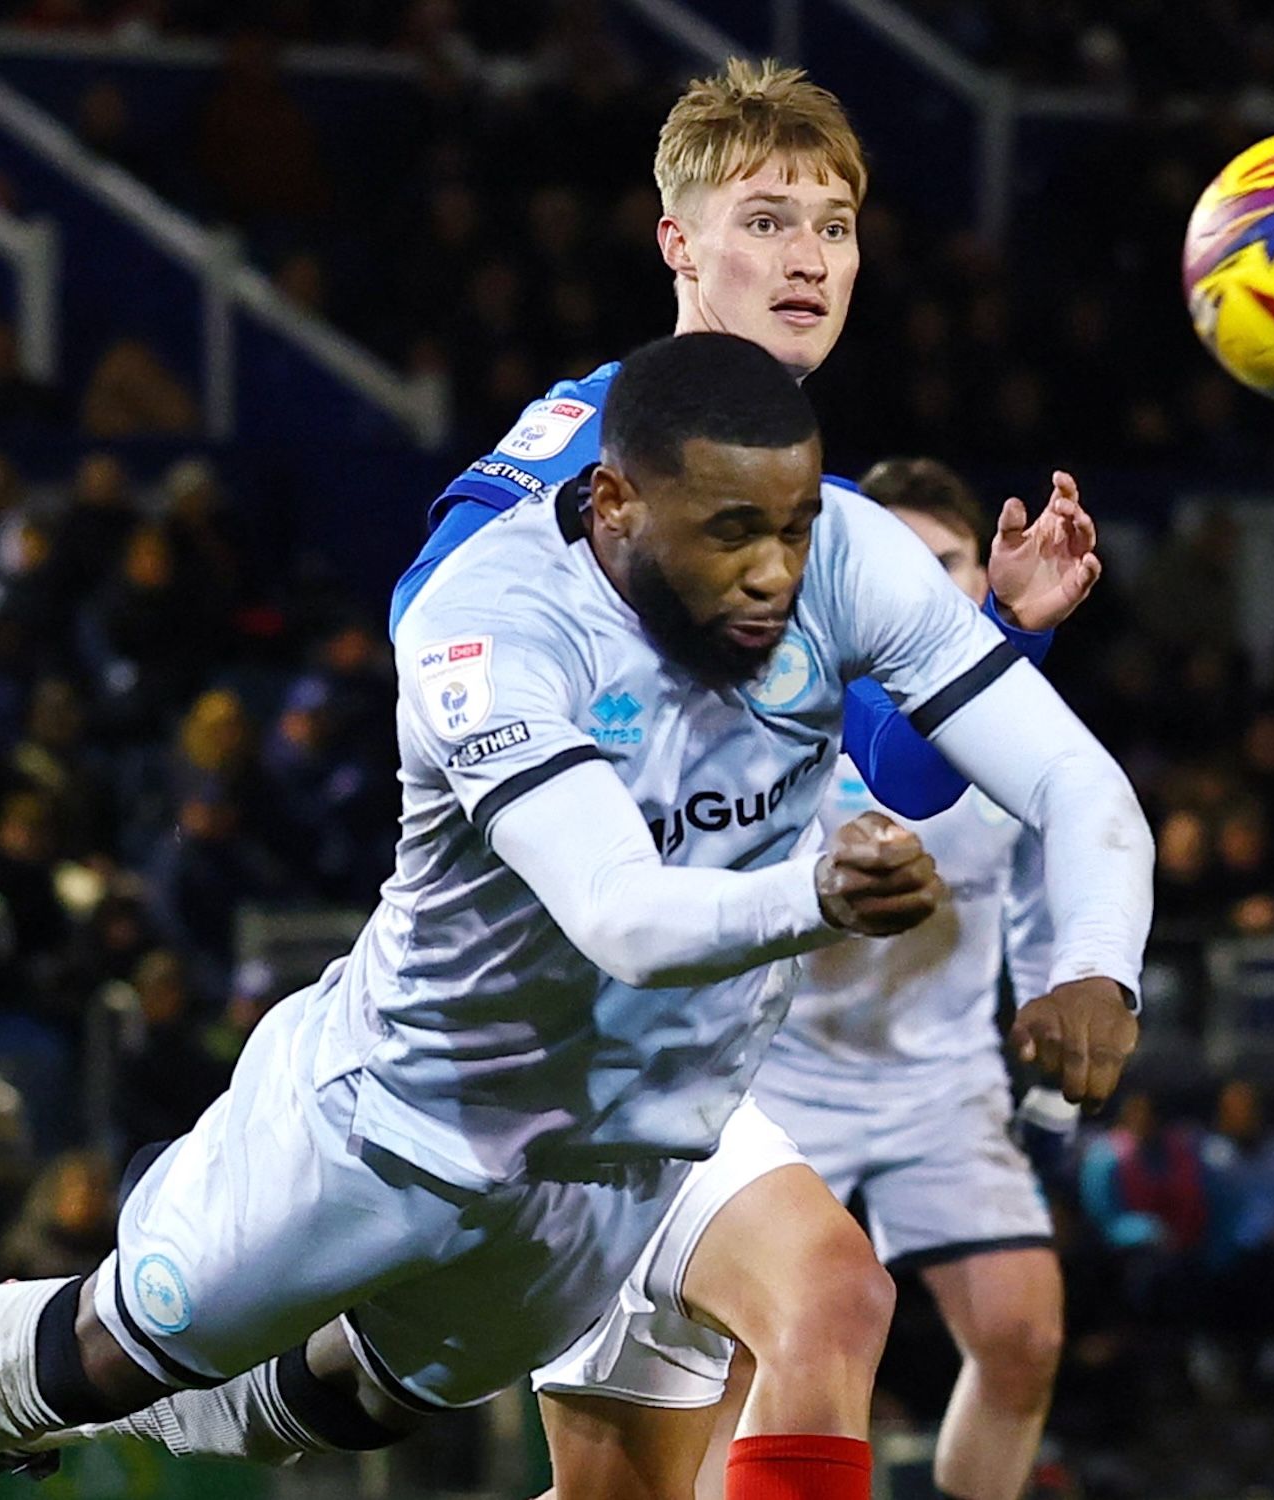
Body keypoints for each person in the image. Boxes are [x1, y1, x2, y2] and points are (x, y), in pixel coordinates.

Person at [0, 334, 1152, 1500]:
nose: (773, 573)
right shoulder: (489, 626)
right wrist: (811, 892)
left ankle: (60, 1384)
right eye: (729, 535)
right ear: (614, 506)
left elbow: (1080, 786)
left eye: (791, 527)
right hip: (397, 1113)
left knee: (335, 1412)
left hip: (612, 1170)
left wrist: (1098, 965)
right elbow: (620, 917)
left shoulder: (840, 557)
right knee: (110, 1351)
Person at [384, 61, 1110, 1500]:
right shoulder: (597, 432)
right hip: (551, 1031)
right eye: (766, 220)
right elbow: (433, 604)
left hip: (680, 1047)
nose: (807, 259)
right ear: (677, 244)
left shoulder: (818, 515)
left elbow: (884, 779)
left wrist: (1005, 633)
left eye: (833, 228)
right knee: (836, 1296)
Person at [528, 458, 1088, 1500]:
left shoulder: (1009, 729)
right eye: (901, 561)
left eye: (949, 562)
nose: (925, 580)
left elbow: (1044, 881)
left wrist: (1062, 993)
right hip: (759, 1077)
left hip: (941, 1082)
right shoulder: (783, 691)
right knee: (721, 1384)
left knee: (1017, 1332)